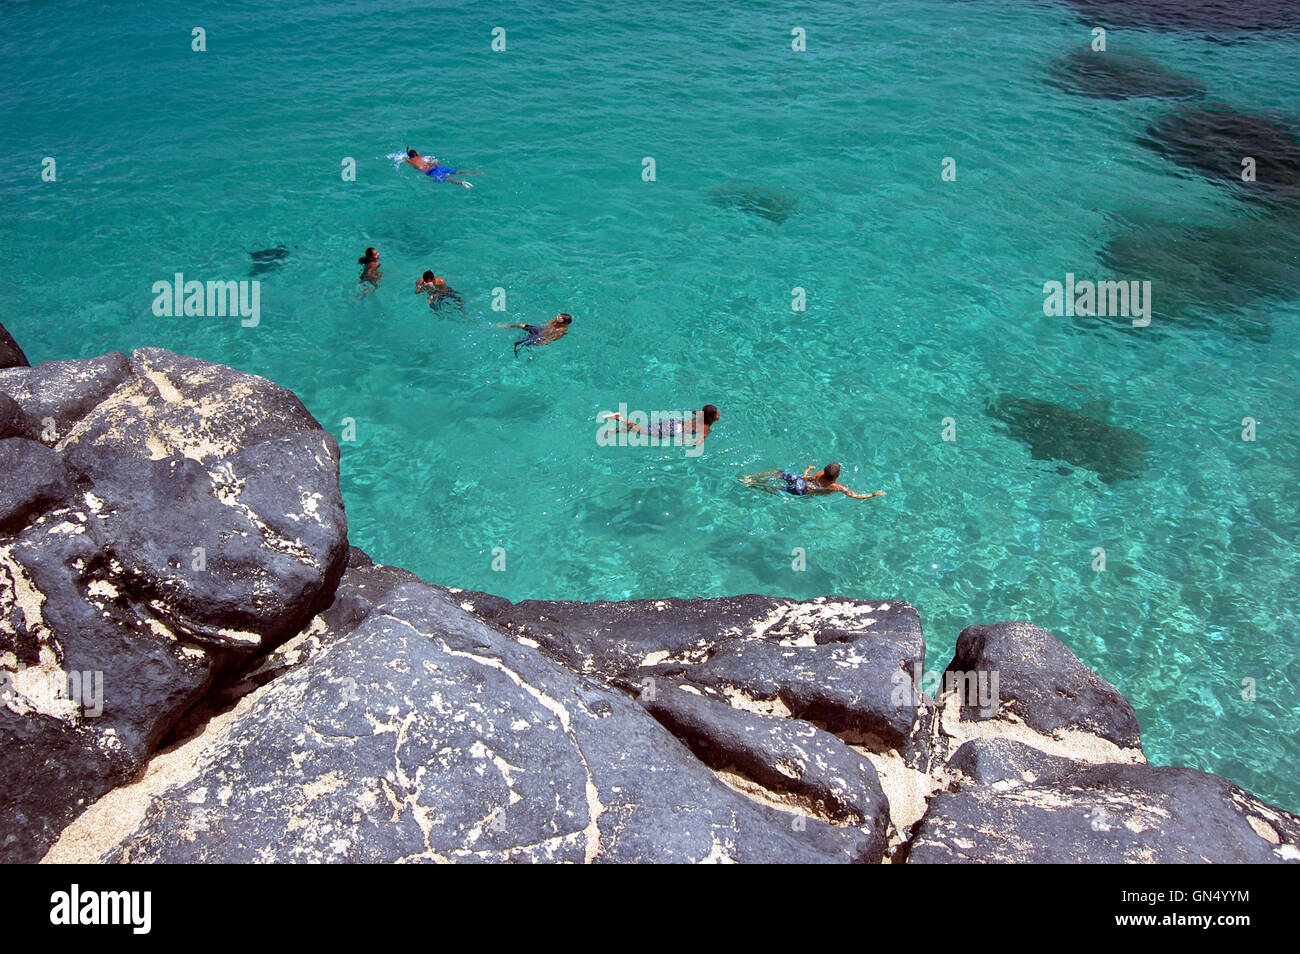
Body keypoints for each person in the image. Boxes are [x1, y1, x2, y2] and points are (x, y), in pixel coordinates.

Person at [743, 462, 885, 499]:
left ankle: (752, 477)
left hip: (800, 481)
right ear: (836, 476)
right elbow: (855, 496)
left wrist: (807, 469)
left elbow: (805, 478)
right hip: (802, 490)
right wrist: (873, 494)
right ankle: (752, 485)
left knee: (778, 473)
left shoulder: (819, 474)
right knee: (777, 489)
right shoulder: (837, 487)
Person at [605, 405, 719, 447]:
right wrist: (687, 441)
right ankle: (618, 418)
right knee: (641, 431)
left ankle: (617, 430)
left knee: (644, 430)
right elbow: (698, 443)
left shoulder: (700, 415)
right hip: (673, 430)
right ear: (712, 417)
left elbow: (694, 411)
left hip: (674, 423)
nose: (719, 414)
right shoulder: (706, 429)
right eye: (717, 413)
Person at [499, 313, 572, 356]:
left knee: (519, 343)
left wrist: (545, 342)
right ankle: (507, 326)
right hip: (539, 330)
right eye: (559, 315)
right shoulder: (555, 321)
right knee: (521, 325)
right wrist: (554, 321)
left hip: (540, 337)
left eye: (560, 317)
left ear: (562, 321)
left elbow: (555, 338)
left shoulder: (563, 329)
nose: (558, 316)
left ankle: (520, 354)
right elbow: (545, 324)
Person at [403, 149, 479, 189]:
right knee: (458, 171)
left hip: (431, 172)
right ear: (416, 154)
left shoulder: (410, 161)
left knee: (447, 179)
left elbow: (400, 158)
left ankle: (462, 183)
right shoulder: (423, 157)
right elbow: (434, 160)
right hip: (437, 167)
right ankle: (475, 172)